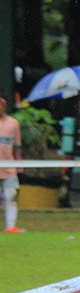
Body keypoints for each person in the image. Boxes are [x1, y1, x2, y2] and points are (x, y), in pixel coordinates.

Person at [0, 95, 24, 233]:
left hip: (9, 168)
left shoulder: (13, 123)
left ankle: (11, 227)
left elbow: (17, 146)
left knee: (11, 196)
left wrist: (19, 164)